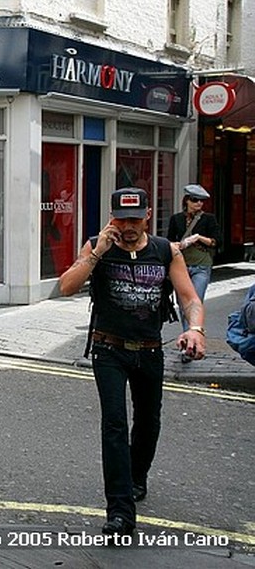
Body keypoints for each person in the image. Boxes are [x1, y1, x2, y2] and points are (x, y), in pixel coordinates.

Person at [59, 187, 205, 538]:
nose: (128, 226)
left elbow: (189, 299)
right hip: (108, 349)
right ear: (112, 217)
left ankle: (136, 476)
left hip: (150, 349)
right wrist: (97, 253)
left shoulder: (164, 251)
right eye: (122, 219)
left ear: (148, 216)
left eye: (135, 219)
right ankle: (120, 511)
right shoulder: (97, 246)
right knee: (114, 425)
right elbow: (66, 286)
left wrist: (196, 329)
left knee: (148, 422)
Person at [165, 184, 221, 344]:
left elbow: (216, 241)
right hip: (180, 265)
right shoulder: (176, 219)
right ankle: (188, 335)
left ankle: (192, 336)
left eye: (201, 201)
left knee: (195, 301)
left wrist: (197, 237)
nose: (198, 204)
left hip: (201, 265)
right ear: (186, 201)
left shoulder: (209, 219)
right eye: (195, 200)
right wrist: (180, 244)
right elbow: (169, 240)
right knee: (182, 304)